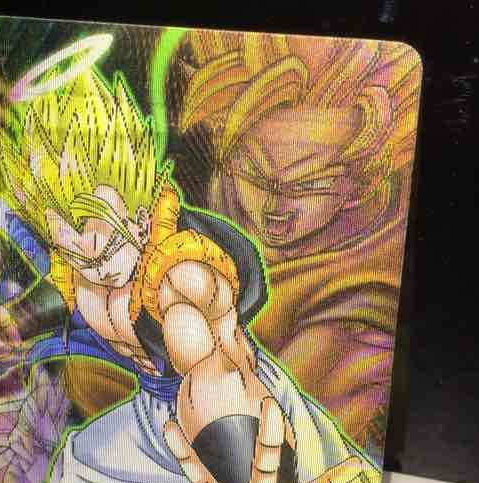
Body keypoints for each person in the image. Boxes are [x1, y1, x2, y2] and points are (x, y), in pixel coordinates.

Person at [0, 64, 380, 483]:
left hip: (251, 414)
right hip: (158, 411)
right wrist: (10, 325)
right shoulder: (80, 250)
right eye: (76, 254)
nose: (97, 270)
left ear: (142, 218)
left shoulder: (180, 275)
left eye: (107, 251)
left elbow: (211, 373)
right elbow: (64, 286)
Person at [170, 33, 421, 458]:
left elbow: (282, 458)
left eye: (308, 185)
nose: (275, 208)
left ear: (361, 185)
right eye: (256, 173)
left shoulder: (353, 326)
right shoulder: (221, 200)